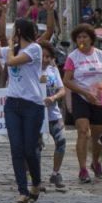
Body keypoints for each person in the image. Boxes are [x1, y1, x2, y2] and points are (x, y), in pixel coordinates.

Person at [0, 15, 44, 203]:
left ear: (20, 31)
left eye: (14, 30)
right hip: (13, 105)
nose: (11, 33)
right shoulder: (11, 50)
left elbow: (13, 62)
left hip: (32, 104)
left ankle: (37, 182)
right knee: (16, 148)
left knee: (29, 150)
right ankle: (22, 190)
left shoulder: (34, 48)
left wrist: (9, 44)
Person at [63, 23, 102, 183]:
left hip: (99, 98)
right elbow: (66, 80)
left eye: (85, 36)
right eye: (79, 37)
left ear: (91, 39)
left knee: (97, 134)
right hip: (81, 97)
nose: (82, 40)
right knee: (83, 132)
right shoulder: (73, 57)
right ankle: (82, 169)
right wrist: (85, 93)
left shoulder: (100, 55)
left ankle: (95, 162)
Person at [42, 40, 68, 191]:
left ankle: (56, 172)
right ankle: (33, 176)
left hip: (53, 113)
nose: (45, 59)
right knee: (35, 147)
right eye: (42, 56)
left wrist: (53, 98)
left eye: (48, 56)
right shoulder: (30, 70)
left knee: (61, 141)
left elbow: (62, 89)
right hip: (37, 115)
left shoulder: (53, 70)